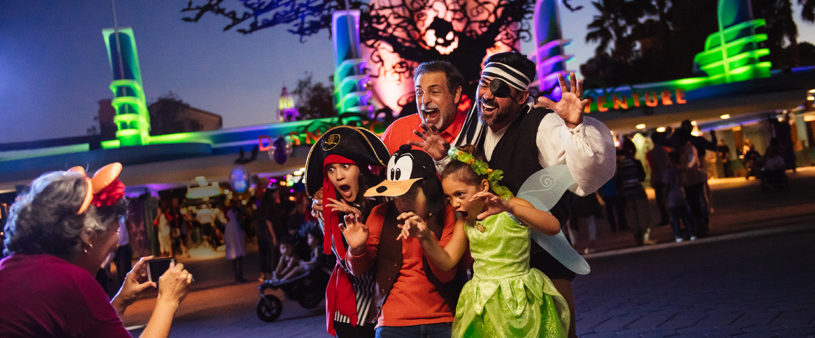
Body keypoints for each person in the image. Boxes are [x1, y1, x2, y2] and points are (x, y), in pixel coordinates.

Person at [417, 52, 615, 337]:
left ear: (521, 98)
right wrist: (443, 157)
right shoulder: (476, 129)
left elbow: (584, 175)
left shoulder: (541, 124)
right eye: (484, 84)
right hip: (494, 276)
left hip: (545, 263)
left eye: (499, 90)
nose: (487, 95)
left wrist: (573, 127)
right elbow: (465, 181)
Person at [0, 163, 192, 337]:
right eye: (115, 229)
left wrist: (121, 300)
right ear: (88, 235)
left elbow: (85, 329)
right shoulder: (71, 282)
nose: (116, 244)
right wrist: (168, 300)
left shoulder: (9, 268)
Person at [397, 146, 570, 336]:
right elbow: (447, 261)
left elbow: (553, 227)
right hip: (484, 302)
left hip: (521, 296)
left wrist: (510, 206)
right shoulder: (465, 222)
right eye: (449, 198)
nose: (454, 204)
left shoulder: (513, 207)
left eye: (460, 194)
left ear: (484, 187)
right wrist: (425, 237)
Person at [342, 146, 461, 337]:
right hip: (393, 322)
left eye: (410, 193)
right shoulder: (380, 213)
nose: (402, 202)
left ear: (428, 189)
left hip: (443, 318)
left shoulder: (445, 213)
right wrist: (356, 250)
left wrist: (425, 237)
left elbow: (446, 274)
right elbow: (359, 270)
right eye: (396, 195)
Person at [305, 126, 390, 337]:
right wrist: (356, 223)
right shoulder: (327, 208)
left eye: (345, 166)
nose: (339, 176)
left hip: (391, 307)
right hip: (354, 311)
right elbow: (349, 264)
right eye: (331, 170)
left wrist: (360, 212)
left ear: (361, 170)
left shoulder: (385, 197)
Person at [381, 60, 466, 157]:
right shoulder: (397, 130)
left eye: (434, 91)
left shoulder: (476, 132)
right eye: (419, 92)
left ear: (456, 94)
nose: (424, 100)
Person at [617, 138, 653, 246]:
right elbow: (642, 177)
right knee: (643, 215)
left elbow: (618, 181)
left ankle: (637, 238)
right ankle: (645, 237)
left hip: (627, 194)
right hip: (638, 191)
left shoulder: (620, 166)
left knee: (633, 217)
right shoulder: (636, 162)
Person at [676, 129, 710, 237]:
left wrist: (680, 167)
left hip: (694, 181)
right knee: (694, 205)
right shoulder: (685, 150)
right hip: (690, 181)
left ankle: (701, 228)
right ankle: (699, 228)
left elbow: (690, 165)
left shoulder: (690, 149)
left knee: (696, 205)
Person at [664, 151, 697, 242]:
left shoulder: (668, 172)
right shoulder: (680, 170)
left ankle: (678, 235)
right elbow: (685, 182)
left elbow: (667, 186)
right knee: (685, 216)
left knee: (675, 218)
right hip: (681, 195)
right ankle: (691, 233)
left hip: (672, 197)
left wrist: (664, 197)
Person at [646, 132, 670, 226]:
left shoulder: (650, 154)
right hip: (667, 177)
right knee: (667, 197)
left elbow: (653, 168)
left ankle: (665, 217)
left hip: (658, 178)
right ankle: (671, 216)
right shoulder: (666, 151)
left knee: (660, 200)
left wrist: (653, 178)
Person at [224, 202, 247, 282]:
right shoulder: (236, 224)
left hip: (233, 246)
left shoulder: (230, 224)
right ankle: (238, 276)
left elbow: (227, 237)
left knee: (236, 263)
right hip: (236, 246)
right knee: (238, 262)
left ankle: (238, 276)